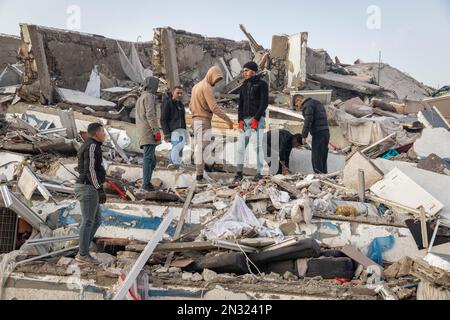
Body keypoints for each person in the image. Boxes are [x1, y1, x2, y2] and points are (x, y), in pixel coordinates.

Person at [190, 66, 234, 183]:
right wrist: (227, 119)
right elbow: (213, 107)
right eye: (216, 79)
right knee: (201, 148)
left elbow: (190, 106)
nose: (216, 82)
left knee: (202, 147)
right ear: (211, 75)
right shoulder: (207, 87)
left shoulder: (196, 87)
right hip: (203, 121)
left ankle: (202, 170)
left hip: (195, 120)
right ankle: (199, 175)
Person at [74, 123, 107, 265]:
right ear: (96, 133)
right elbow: (90, 170)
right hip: (88, 188)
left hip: (90, 187)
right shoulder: (92, 145)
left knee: (97, 220)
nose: (104, 134)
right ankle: (83, 254)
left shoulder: (91, 145)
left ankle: (83, 250)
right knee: (87, 221)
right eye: (103, 131)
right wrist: (99, 188)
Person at [235, 61, 269, 182]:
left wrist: (256, 118)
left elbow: (264, 103)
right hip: (245, 121)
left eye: (247, 70)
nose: (244, 73)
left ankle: (259, 173)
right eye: (244, 71)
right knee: (240, 148)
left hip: (258, 120)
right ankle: (239, 173)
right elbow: (241, 104)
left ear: (253, 71)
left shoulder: (262, 84)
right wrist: (239, 120)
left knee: (258, 147)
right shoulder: (244, 85)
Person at [136, 76, 162, 191]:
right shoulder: (149, 96)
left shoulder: (141, 97)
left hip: (143, 130)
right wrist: (156, 131)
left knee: (152, 159)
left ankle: (147, 181)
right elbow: (150, 115)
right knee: (148, 158)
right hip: (148, 131)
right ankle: (146, 183)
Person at [295, 95, 330, 174]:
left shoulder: (307, 105)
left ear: (299, 100)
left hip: (318, 134)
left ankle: (319, 176)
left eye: (297, 105)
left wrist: (304, 136)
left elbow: (308, 121)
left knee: (316, 156)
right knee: (323, 156)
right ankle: (324, 175)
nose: (298, 107)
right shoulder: (317, 103)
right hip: (326, 132)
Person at [160, 86, 187, 170]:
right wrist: (167, 134)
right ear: (172, 93)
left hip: (181, 130)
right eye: (177, 93)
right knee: (176, 146)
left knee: (180, 148)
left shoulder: (181, 105)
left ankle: (177, 165)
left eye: (181, 93)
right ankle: (173, 163)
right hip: (173, 129)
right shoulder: (168, 103)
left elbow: (183, 119)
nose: (179, 95)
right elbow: (163, 119)